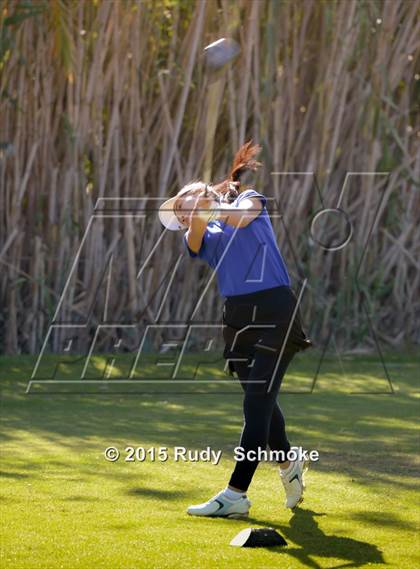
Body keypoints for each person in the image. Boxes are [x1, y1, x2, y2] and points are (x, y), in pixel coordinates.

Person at [158, 141, 312, 518]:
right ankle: (288, 460)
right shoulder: (200, 236)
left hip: (276, 310)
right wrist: (197, 212)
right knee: (262, 401)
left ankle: (235, 494)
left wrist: (211, 204)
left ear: (200, 188)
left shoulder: (250, 199)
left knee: (255, 401)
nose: (184, 210)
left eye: (184, 200)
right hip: (238, 320)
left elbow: (241, 216)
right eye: (179, 211)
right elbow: (195, 235)